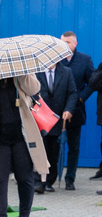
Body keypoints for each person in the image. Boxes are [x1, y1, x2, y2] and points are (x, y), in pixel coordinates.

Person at [0, 74, 47, 217]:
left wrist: (23, 74)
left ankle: (24, 215)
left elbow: (34, 88)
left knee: (24, 177)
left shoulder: (22, 72)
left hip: (22, 137)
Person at [34, 61, 76, 194]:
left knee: (53, 151)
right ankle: (39, 181)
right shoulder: (36, 73)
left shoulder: (66, 72)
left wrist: (69, 109)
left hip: (57, 119)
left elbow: (72, 93)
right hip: (40, 118)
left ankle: (49, 181)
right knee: (40, 150)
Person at [60, 31, 95, 191]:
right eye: (62, 41)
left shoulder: (85, 60)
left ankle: (70, 179)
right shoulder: (56, 59)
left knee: (74, 147)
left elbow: (92, 83)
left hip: (76, 111)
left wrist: (80, 98)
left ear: (75, 43)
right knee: (53, 146)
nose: (65, 45)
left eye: (68, 42)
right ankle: (50, 178)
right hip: (57, 111)